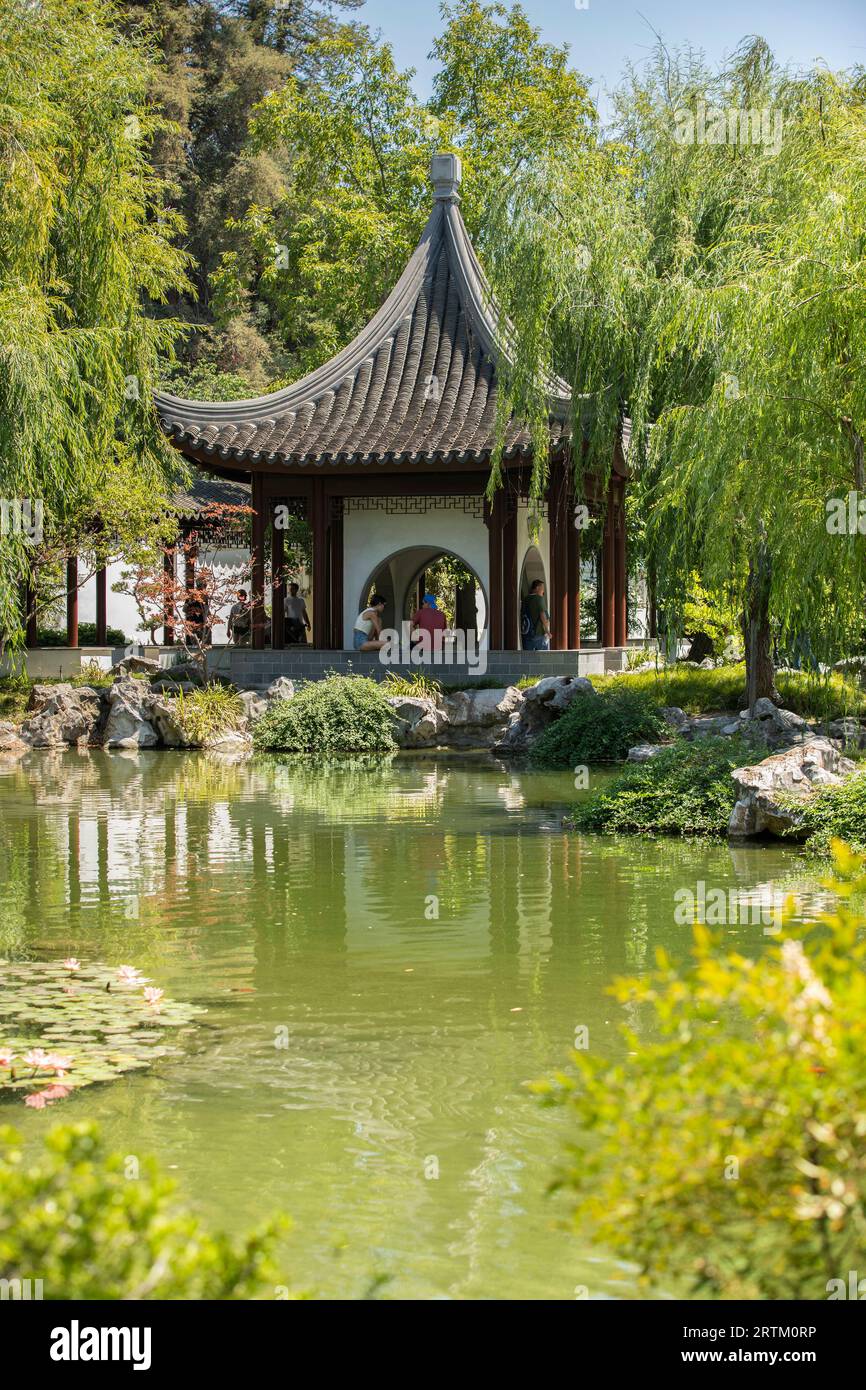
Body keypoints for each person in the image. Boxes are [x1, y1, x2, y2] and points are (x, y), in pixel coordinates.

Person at [521, 579, 551, 650]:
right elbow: (543, 616)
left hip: (527, 632)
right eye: (542, 588)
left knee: (528, 658)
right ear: (537, 588)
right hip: (538, 633)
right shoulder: (539, 599)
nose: (543, 591)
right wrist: (547, 631)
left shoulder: (526, 599)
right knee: (542, 657)